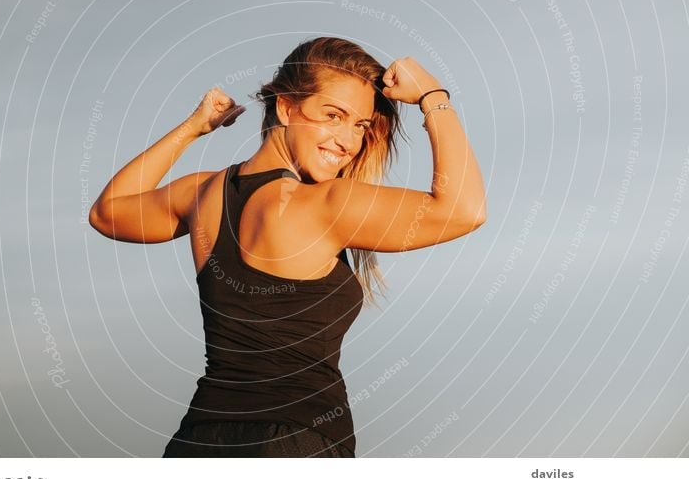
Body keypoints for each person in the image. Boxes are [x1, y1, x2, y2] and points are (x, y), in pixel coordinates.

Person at [89, 36, 486, 457]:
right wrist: (433, 97)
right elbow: (464, 210)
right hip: (294, 444)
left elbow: (108, 212)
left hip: (198, 442)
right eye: (333, 115)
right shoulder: (326, 205)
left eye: (360, 125)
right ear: (286, 108)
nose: (348, 141)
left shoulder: (201, 192)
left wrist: (193, 128)